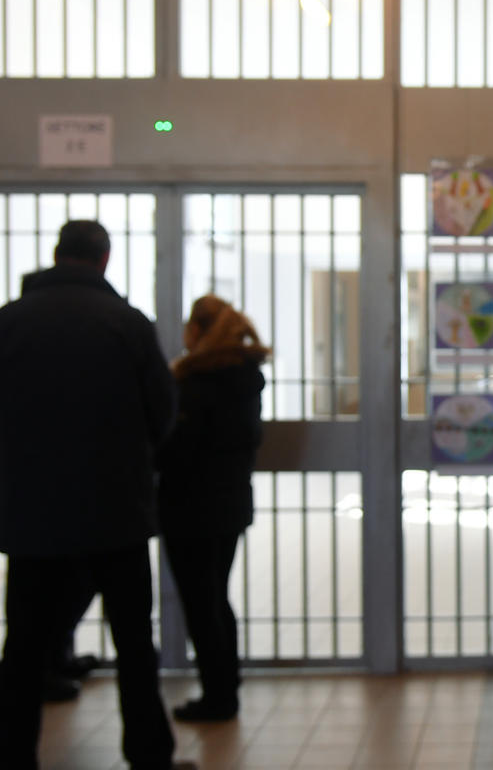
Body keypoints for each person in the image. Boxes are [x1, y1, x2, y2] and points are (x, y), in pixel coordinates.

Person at [0, 221, 194, 770]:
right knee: (133, 643)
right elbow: (163, 414)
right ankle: (148, 756)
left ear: (57, 254)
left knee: (24, 647)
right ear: (104, 258)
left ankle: (11, 759)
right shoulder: (127, 322)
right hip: (116, 511)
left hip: (32, 514)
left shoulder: (8, 321)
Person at [156, 296, 268, 722]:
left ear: (198, 331)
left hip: (190, 507)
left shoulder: (196, 383)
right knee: (216, 598)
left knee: (201, 604)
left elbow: (177, 449)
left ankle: (218, 696)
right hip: (230, 503)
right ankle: (226, 685)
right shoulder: (245, 378)